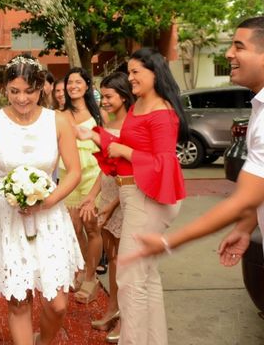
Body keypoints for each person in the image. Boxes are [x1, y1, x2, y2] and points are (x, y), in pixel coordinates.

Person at [123, 17, 264, 268]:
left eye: (239, 46)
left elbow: (244, 198)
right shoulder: (258, 108)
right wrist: (245, 227)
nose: (229, 53)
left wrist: (169, 242)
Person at [76, 47, 188, 345]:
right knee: (145, 277)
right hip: (132, 195)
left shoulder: (163, 112)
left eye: (137, 71)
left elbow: (164, 162)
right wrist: (96, 136)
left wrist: (125, 150)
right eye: (130, 72)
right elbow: (127, 145)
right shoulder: (140, 105)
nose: (131, 77)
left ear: (156, 73)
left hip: (147, 198)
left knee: (129, 278)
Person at [0, 55, 83, 345]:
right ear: (5, 90)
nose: (22, 98)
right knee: (19, 299)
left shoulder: (57, 121)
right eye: (14, 91)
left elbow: (74, 172)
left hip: (49, 216)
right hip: (6, 218)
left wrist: (46, 201)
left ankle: (43, 341)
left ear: (41, 89)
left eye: (29, 91)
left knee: (57, 303)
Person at [78, 72, 134, 343]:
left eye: (109, 96)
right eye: (102, 95)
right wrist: (91, 197)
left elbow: (133, 171)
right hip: (110, 196)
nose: (104, 100)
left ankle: (128, 319)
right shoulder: (108, 123)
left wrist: (113, 205)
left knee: (125, 264)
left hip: (126, 199)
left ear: (123, 96)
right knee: (112, 260)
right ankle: (113, 309)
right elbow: (106, 170)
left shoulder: (132, 127)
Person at [59, 67, 103, 304]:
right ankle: (85, 268)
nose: (73, 86)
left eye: (78, 82)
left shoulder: (98, 114)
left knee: (92, 226)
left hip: (92, 175)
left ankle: (91, 277)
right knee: (74, 228)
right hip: (69, 175)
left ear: (87, 86)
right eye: (70, 82)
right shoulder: (60, 114)